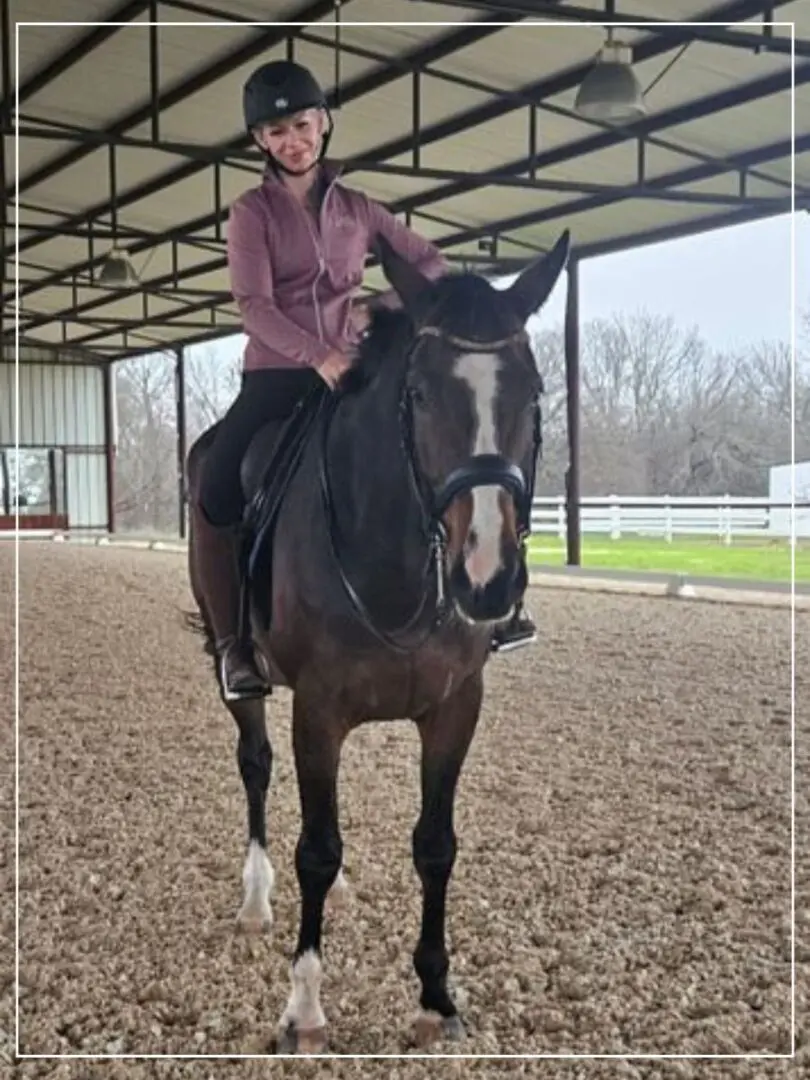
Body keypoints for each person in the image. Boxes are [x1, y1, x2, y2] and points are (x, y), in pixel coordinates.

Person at [193, 59, 537, 701]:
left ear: (322, 123)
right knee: (214, 479)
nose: (292, 140)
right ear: (259, 143)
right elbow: (254, 307)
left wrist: (374, 313)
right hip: (278, 375)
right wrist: (315, 353)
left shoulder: (358, 209)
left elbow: (429, 267)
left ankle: (496, 599)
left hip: (356, 367)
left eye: (301, 124)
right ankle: (234, 644)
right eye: (276, 132)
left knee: (454, 451)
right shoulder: (251, 213)